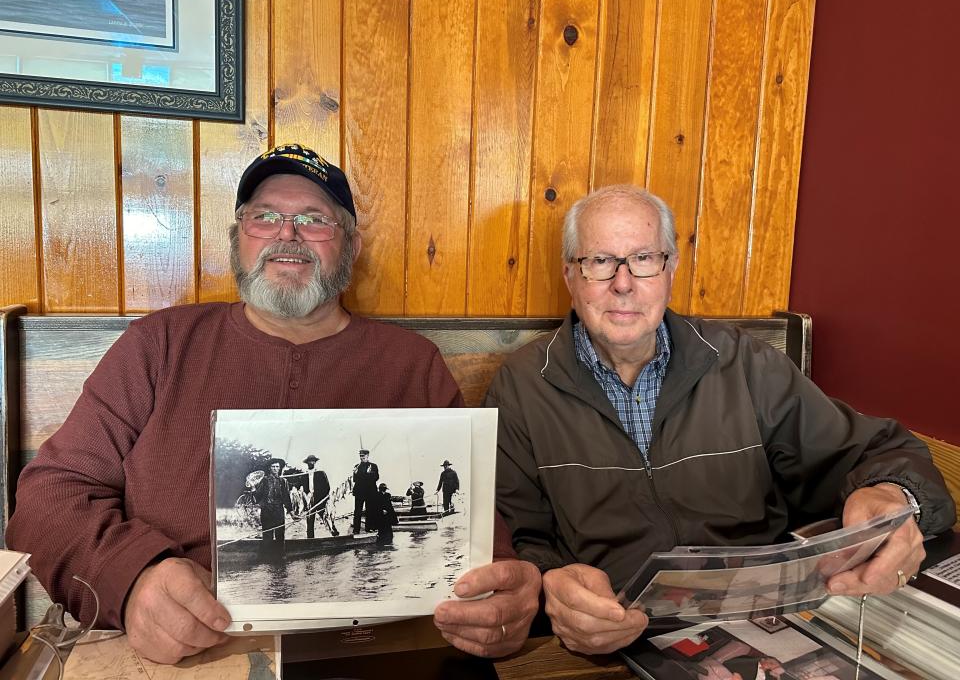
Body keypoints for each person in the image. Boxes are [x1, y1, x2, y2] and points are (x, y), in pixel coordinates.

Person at [6, 143, 542, 664]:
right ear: (237, 238)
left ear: (351, 247)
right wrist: (132, 579)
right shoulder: (160, 344)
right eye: (263, 216)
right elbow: (48, 500)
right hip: (186, 655)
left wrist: (504, 599)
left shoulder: (412, 365)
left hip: (375, 654)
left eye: (315, 219)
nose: (287, 235)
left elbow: (482, 548)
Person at [489, 184, 957, 655]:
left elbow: (882, 452)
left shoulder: (746, 364)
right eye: (600, 261)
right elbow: (516, 537)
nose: (624, 282)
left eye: (644, 259)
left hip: (769, 626)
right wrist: (552, 584)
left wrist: (896, 495)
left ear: (670, 269)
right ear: (571, 275)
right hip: (617, 644)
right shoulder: (521, 387)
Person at [255, 459, 295, 542]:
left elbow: (286, 498)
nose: (275, 468)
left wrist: (292, 513)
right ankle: (267, 555)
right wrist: (253, 489)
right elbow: (258, 497)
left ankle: (280, 555)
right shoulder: (264, 480)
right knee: (267, 536)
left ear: (279, 468)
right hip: (266, 511)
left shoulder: (283, 481)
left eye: (277, 467)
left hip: (278, 511)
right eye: (273, 466)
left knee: (280, 535)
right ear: (269, 468)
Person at [300, 453, 337, 538]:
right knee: (309, 520)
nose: (311, 462)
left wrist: (324, 498)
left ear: (315, 462)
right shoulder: (304, 474)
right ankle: (310, 538)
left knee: (326, 517)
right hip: (309, 500)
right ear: (307, 463)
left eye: (313, 461)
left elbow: (327, 486)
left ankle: (334, 533)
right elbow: (300, 485)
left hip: (319, 499)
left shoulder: (320, 473)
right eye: (310, 461)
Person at [352, 448, 380, 533]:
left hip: (370, 492)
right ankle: (356, 530)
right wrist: (355, 473)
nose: (362, 458)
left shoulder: (373, 466)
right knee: (357, 511)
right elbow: (354, 480)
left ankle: (369, 528)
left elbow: (376, 478)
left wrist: (368, 474)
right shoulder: (357, 466)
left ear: (367, 456)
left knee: (370, 511)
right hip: (359, 492)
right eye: (360, 456)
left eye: (363, 456)